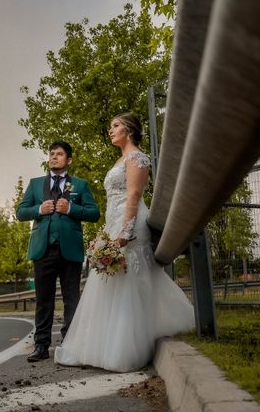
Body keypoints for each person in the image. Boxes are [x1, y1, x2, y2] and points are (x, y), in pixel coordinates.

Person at [54, 113, 195, 372]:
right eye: (110, 127)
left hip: (129, 225)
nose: (111, 130)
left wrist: (125, 230)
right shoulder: (120, 159)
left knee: (131, 280)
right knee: (112, 283)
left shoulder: (137, 158)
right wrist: (110, 231)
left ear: (129, 130)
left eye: (115, 126)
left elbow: (134, 194)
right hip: (113, 224)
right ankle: (102, 346)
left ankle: (126, 348)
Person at [17, 141, 100, 362]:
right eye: (51, 153)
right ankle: (41, 345)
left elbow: (94, 213)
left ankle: (71, 344)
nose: (54, 157)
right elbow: (20, 212)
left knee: (72, 298)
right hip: (42, 249)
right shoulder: (35, 184)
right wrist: (38, 209)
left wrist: (72, 208)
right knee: (44, 300)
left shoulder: (80, 185)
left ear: (69, 160)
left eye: (60, 154)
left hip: (70, 249)